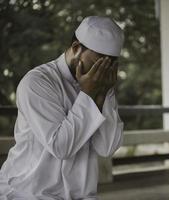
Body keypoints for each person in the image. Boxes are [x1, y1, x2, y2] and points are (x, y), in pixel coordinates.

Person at [0, 16, 124, 199]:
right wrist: (89, 93)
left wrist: (103, 94)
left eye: (111, 62)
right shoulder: (37, 82)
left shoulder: (102, 86)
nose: (104, 69)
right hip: (28, 193)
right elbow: (61, 147)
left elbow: (107, 148)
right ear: (76, 49)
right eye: (100, 60)